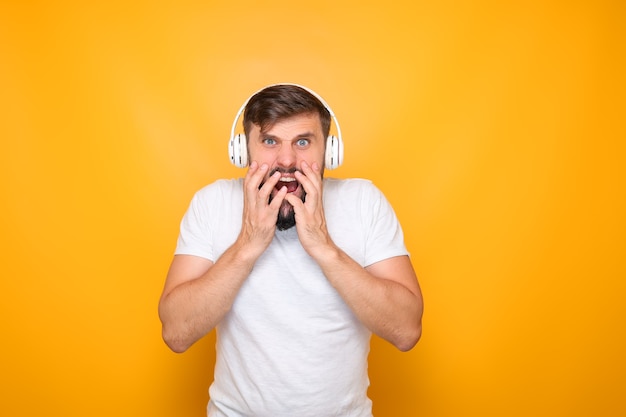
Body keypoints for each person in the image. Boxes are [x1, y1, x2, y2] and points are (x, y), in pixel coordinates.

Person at [158, 84, 424, 417]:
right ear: (242, 150)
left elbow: (407, 330)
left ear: (329, 150)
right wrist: (247, 245)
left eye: (303, 142)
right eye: (270, 141)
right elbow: (176, 333)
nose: (286, 160)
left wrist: (325, 248)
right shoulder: (212, 203)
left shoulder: (364, 201)